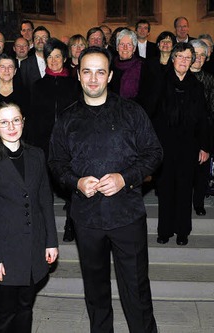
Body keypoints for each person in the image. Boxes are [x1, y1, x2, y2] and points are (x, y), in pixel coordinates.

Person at [49, 47, 162, 333]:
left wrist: (125, 178)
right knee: (96, 292)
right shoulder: (67, 118)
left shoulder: (131, 111)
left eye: (100, 71)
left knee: (136, 291)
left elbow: (154, 153)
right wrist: (76, 182)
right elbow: (56, 162)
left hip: (127, 216)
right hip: (87, 219)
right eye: (87, 71)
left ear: (110, 75)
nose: (93, 78)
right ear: (78, 74)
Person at [0, 102, 58, 333]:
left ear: (23, 122)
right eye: (4, 122)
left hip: (33, 246)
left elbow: (45, 202)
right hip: (5, 250)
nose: (11, 126)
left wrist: (51, 241)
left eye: (16, 120)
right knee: (6, 311)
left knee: (26, 306)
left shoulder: (37, 155)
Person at [146, 43, 210, 246]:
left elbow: (204, 119)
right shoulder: (159, 82)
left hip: (188, 147)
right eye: (180, 56)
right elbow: (149, 112)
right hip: (164, 146)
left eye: (187, 57)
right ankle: (165, 230)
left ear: (192, 61)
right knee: (165, 190)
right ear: (173, 59)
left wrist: (205, 146)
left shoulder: (197, 86)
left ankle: (183, 231)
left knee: (184, 190)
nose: (183, 60)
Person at [27, 38, 79, 242]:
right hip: (42, 144)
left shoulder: (75, 84)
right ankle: (46, 230)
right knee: (43, 189)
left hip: (69, 145)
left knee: (70, 188)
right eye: (50, 56)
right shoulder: (38, 86)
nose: (54, 60)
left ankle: (71, 224)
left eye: (58, 56)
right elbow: (31, 117)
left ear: (65, 58)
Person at [189, 39, 214, 216]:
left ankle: (198, 202)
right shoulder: (179, 76)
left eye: (202, 54)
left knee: (201, 171)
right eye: (195, 54)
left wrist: (206, 144)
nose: (199, 58)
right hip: (182, 135)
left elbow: (212, 113)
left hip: (202, 132)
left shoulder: (209, 79)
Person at [110, 29, 144, 100]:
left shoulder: (143, 66)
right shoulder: (110, 65)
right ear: (117, 47)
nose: (125, 48)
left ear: (134, 48)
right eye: (122, 44)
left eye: (129, 45)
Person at [18, 26, 50, 94]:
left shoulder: (56, 61)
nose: (40, 40)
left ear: (49, 41)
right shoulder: (25, 64)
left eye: (44, 37)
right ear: (33, 42)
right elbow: (23, 90)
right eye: (37, 38)